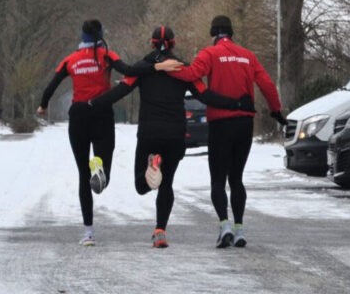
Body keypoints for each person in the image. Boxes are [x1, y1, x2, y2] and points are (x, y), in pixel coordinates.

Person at [91, 26, 255, 247]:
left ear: (151, 43)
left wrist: (93, 103)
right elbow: (205, 95)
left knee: (142, 185)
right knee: (166, 184)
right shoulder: (182, 68)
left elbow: (119, 92)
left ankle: (152, 166)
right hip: (176, 134)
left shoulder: (143, 69)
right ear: (174, 43)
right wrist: (235, 103)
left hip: (150, 132)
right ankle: (160, 231)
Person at [157, 15, 284, 248]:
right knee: (237, 179)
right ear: (232, 33)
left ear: (213, 33)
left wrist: (165, 67)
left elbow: (190, 74)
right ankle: (240, 229)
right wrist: (276, 110)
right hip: (245, 124)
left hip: (220, 124)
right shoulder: (248, 56)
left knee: (218, 180)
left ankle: (224, 225)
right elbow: (267, 84)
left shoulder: (210, 54)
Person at [38, 19, 142, 247]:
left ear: (81, 36)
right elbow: (128, 70)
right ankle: (100, 167)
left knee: (82, 177)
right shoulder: (107, 56)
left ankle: (88, 233)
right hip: (102, 113)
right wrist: (150, 66)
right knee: (103, 166)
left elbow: (51, 85)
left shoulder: (70, 60)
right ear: (101, 34)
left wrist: (43, 105)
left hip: (78, 117)